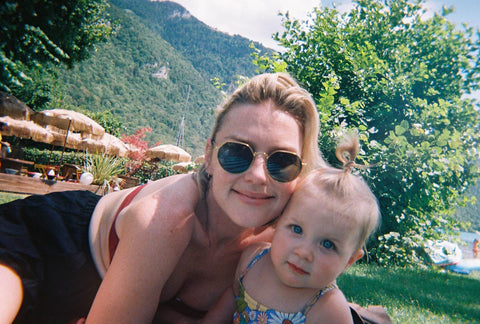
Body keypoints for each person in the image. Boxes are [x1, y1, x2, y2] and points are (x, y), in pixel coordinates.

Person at [0, 72, 325, 324]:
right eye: (237, 153)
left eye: (282, 161)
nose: (257, 175)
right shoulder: (167, 218)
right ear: (209, 156)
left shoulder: (288, 241)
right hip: (43, 242)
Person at [203, 134, 381, 324]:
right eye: (296, 229)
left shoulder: (329, 308)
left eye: (327, 244)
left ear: (350, 260)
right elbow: (231, 299)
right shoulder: (251, 260)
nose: (304, 252)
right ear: (277, 222)